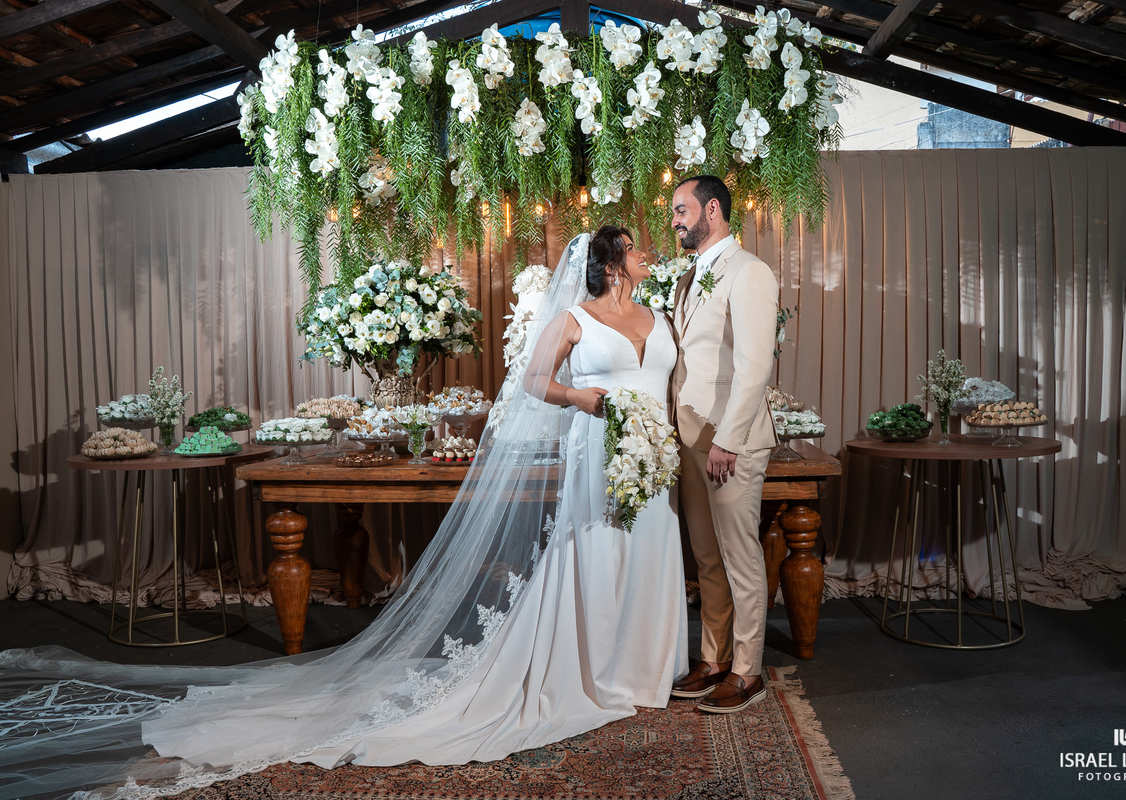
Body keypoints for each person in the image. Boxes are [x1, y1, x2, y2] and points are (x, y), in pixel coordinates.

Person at [0, 228, 688, 799]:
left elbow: (671, 379)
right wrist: (585, 402)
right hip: (598, 450)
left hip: (655, 458)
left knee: (650, 548)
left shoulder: (658, 317)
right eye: (636, 248)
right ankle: (594, 667)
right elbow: (535, 382)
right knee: (593, 552)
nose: (648, 253)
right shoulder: (574, 318)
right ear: (607, 262)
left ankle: (644, 666)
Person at [668, 175, 780, 714]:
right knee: (707, 557)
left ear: (712, 209)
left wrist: (729, 441)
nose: (674, 220)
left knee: (740, 557)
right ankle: (713, 660)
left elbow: (756, 366)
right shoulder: (688, 280)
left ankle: (747, 668)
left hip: (730, 439)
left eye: (681, 210)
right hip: (691, 436)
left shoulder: (751, 272)